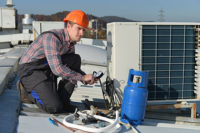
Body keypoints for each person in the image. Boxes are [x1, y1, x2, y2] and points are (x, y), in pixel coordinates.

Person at [17, 10, 96, 114]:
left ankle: (64, 101)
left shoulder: (70, 43)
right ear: (68, 26)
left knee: (75, 59)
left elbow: (70, 67)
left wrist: (85, 78)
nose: (81, 33)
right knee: (54, 107)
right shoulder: (52, 38)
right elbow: (58, 69)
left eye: (83, 30)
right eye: (79, 29)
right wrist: (81, 77)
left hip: (46, 68)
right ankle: (26, 91)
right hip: (30, 71)